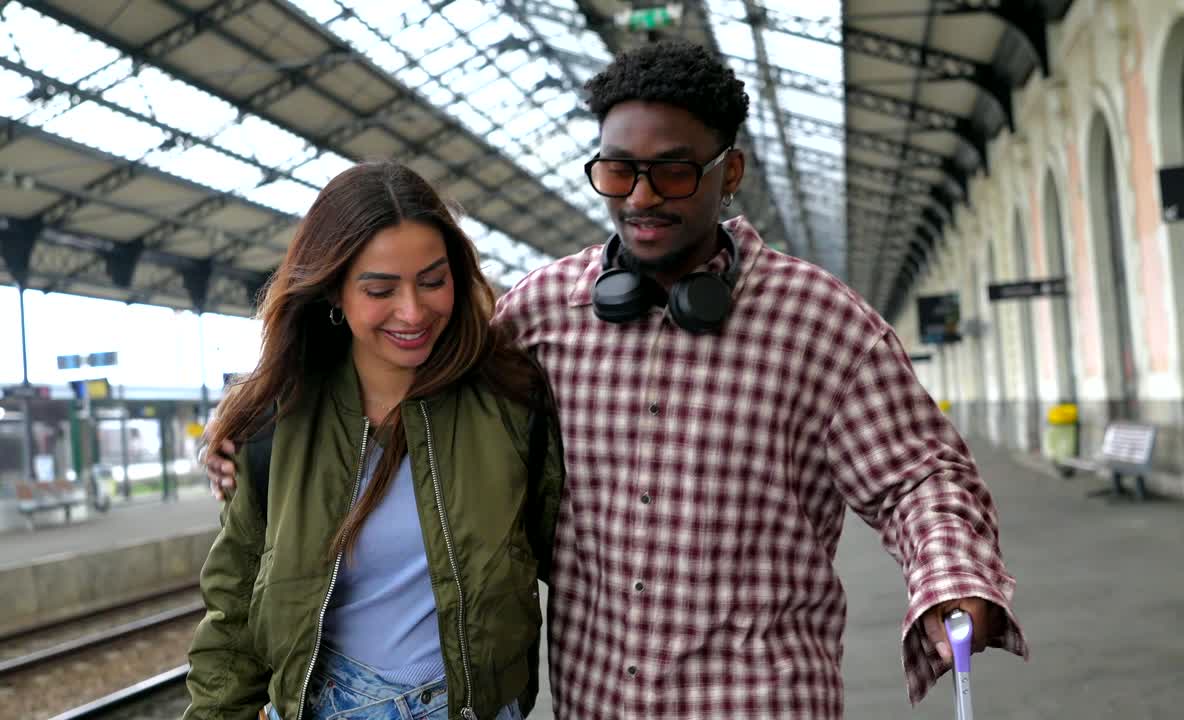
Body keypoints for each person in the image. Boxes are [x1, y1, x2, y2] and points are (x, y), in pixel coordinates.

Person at [210, 41, 1028, 718]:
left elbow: (921, 476)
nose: (640, 197)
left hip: (760, 700)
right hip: (595, 701)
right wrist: (253, 421)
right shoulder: (539, 315)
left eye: (673, 173)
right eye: (616, 172)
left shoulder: (821, 323)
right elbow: (410, 356)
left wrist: (951, 578)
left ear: (729, 171)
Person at [187, 162, 563, 720]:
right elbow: (233, 616)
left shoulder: (511, 401)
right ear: (334, 289)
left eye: (433, 281)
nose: (413, 311)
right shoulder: (275, 427)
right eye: (380, 289)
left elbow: (575, 553)